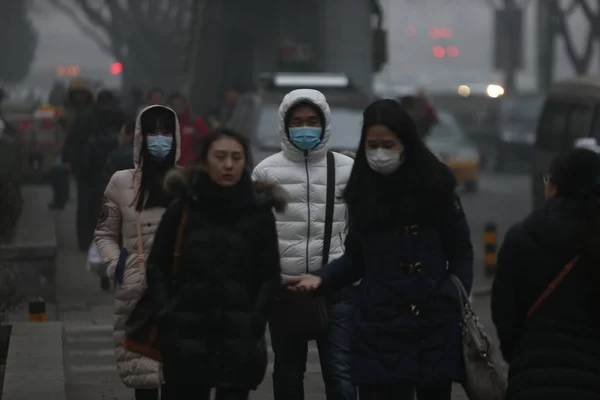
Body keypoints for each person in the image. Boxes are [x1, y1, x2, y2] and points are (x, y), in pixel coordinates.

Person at [287, 99, 474, 400]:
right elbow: (355, 259)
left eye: (388, 144)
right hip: (378, 322)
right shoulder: (362, 189)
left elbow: (461, 251)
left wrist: (452, 295)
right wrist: (321, 279)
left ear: (406, 142)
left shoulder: (436, 185)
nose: (379, 153)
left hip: (432, 320)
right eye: (372, 145)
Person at [146, 129, 284, 399]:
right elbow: (157, 267)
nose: (228, 165)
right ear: (205, 161)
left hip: (238, 340)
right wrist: (166, 313)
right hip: (185, 336)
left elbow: (269, 275)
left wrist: (255, 321)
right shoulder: (183, 208)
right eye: (220, 156)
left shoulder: (258, 213)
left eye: (236, 157)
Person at [252, 88, 356, 400]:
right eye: (297, 121)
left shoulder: (347, 170)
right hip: (287, 291)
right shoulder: (266, 172)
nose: (305, 127)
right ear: (285, 124)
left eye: (312, 121)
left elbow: (357, 229)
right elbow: (256, 234)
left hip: (336, 288)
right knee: (288, 373)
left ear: (325, 125)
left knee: (341, 373)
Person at [491, 147, 600, 400]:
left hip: (532, 379)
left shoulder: (521, 236)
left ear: (554, 186)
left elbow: (504, 310)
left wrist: (519, 355)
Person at [94, 104, 181, 400]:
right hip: (137, 290)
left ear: (176, 137)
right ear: (140, 137)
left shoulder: (188, 183)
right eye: (153, 132)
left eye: (166, 132)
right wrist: (117, 265)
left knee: (180, 380)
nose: (159, 139)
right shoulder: (121, 182)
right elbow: (105, 232)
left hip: (180, 291)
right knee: (144, 381)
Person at [61, 78, 97, 249]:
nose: (79, 98)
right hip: (80, 164)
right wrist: (67, 159)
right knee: (84, 203)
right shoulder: (67, 113)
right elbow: (69, 139)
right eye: (77, 94)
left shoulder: (94, 113)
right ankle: (84, 241)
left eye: (82, 95)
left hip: (95, 163)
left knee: (93, 203)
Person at [167, 92, 209, 166]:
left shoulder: (195, 121)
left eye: (180, 105)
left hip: (192, 165)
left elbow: (207, 139)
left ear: (185, 104)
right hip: (173, 165)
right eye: (175, 105)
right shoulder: (169, 122)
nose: (178, 107)